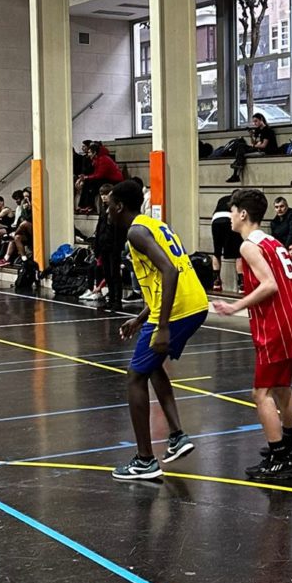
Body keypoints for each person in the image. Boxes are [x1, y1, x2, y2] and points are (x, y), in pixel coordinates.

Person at [104, 179, 208, 481]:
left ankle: (145, 460)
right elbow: (163, 279)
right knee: (150, 367)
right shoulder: (154, 225)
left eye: (108, 206)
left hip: (177, 310)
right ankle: (177, 436)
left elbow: (169, 270)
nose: (106, 212)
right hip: (193, 303)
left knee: (135, 376)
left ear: (119, 206)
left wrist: (161, 326)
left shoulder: (135, 232)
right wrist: (140, 319)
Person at [212, 187, 292, 483]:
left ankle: (278, 458)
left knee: (261, 393)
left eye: (232, 212)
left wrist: (235, 306)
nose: (229, 217)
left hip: (278, 324)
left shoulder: (248, 246)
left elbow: (269, 285)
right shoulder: (273, 241)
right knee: (282, 387)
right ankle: (289, 446)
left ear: (243, 214)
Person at [89, 183, 122, 311]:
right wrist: (97, 246)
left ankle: (117, 300)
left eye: (106, 194)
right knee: (107, 274)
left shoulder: (116, 210)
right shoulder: (103, 210)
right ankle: (111, 298)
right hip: (103, 246)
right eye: (102, 194)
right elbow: (99, 229)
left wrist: (117, 246)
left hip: (113, 247)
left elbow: (118, 231)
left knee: (114, 274)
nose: (103, 197)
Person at [227, 112, 279, 182]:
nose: (255, 123)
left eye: (256, 121)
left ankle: (235, 174)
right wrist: (251, 136)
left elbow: (263, 145)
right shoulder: (258, 130)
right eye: (254, 122)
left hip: (266, 151)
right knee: (240, 146)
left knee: (241, 153)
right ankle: (236, 171)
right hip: (258, 148)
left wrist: (254, 146)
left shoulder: (268, 130)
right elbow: (254, 143)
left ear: (261, 119)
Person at [76, 141, 124, 211]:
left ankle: (89, 205)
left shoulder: (103, 159)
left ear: (94, 152)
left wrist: (86, 177)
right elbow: (96, 174)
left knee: (91, 184)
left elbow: (99, 175)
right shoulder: (97, 159)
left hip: (115, 181)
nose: (88, 154)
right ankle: (85, 205)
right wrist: (84, 178)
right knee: (89, 182)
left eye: (89, 152)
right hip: (106, 178)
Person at [210, 193, 242, 293]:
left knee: (217, 251)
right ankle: (241, 283)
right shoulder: (240, 199)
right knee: (238, 253)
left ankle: (216, 281)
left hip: (215, 221)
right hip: (229, 219)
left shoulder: (222, 198)